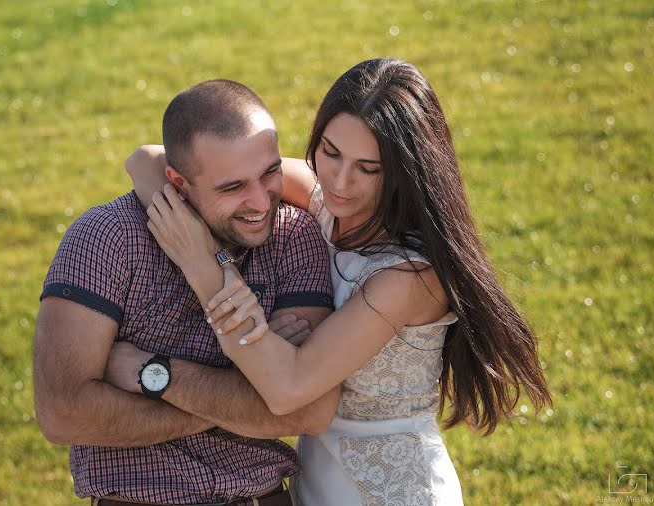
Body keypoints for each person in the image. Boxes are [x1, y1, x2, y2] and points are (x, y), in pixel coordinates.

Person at [121, 58, 552, 505]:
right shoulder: (323, 202)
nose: (341, 182)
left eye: (369, 168)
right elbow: (146, 159)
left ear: (408, 170)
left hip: (394, 492)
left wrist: (201, 264)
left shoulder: (408, 277)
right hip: (314, 480)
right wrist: (190, 231)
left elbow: (289, 386)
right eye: (330, 152)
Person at [33, 79, 340, 506]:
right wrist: (251, 395)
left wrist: (152, 376)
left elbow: (308, 410)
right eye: (233, 187)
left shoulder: (294, 237)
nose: (260, 201)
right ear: (177, 182)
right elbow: (62, 413)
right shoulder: (105, 239)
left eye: (269, 172)